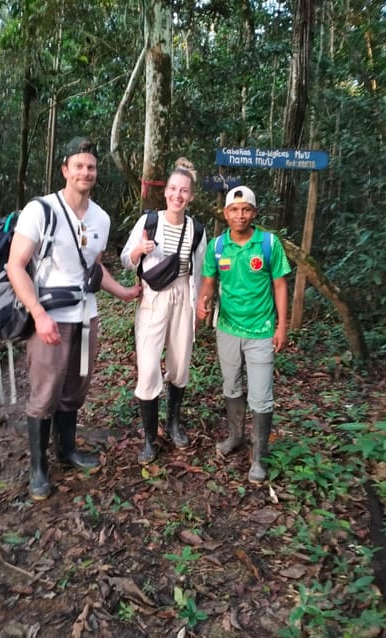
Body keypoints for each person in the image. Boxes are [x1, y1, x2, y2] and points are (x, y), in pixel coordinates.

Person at [7, 136, 142, 500]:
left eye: (91, 167)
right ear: (65, 169)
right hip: (50, 317)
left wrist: (125, 292)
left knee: (75, 389)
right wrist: (38, 315)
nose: (86, 172)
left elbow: (94, 268)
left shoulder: (101, 217)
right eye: (79, 165)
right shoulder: (41, 210)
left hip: (87, 318)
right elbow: (15, 265)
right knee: (45, 392)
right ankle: (38, 468)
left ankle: (66, 451)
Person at [196, 185, 290, 483]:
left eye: (246, 209)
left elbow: (280, 286)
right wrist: (204, 300)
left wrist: (282, 325)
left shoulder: (268, 243)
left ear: (254, 213)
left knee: (261, 396)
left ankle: (259, 456)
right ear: (225, 213)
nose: (240, 215)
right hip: (227, 328)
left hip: (261, 330)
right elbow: (210, 280)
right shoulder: (217, 246)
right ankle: (236, 436)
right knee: (231, 385)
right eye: (234, 210)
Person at [121, 159, 207, 464]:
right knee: (147, 366)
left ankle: (172, 422)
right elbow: (125, 260)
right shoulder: (149, 222)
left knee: (180, 364)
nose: (177, 195)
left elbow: (200, 270)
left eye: (184, 191)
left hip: (183, 296)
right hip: (154, 298)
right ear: (165, 191)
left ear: (191, 196)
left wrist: (201, 302)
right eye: (173, 189)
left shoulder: (196, 229)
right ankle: (149, 438)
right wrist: (138, 252)